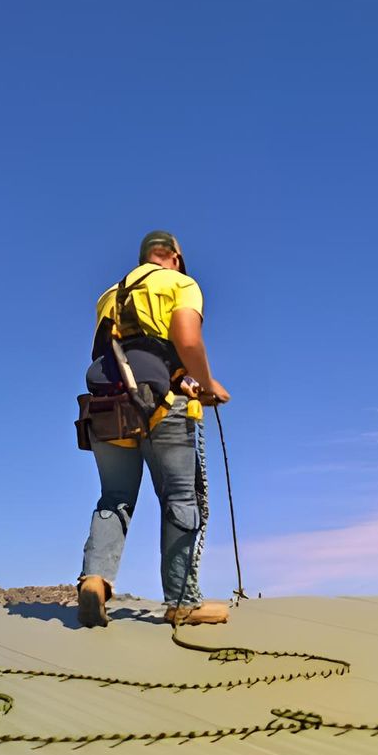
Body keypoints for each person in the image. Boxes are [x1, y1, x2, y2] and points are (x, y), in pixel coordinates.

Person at [76, 230, 232, 628]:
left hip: (107, 408)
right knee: (181, 497)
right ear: (175, 257)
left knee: (114, 498)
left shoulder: (110, 294)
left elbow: (129, 353)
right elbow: (185, 338)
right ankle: (183, 601)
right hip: (162, 410)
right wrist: (208, 384)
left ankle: (94, 580)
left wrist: (181, 378)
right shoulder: (180, 283)